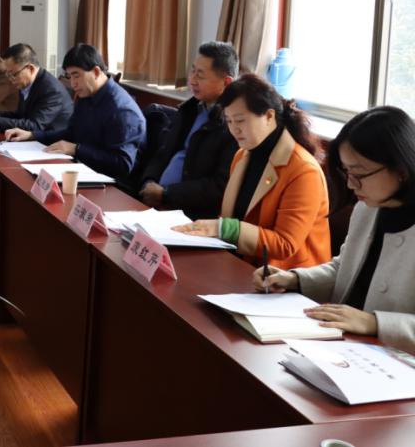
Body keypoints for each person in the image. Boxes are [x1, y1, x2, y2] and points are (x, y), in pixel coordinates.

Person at [256, 107, 415, 353]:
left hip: (395, 361)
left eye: (359, 173)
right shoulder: (367, 208)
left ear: (401, 171)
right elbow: (345, 269)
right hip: (344, 347)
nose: (350, 184)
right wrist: (295, 280)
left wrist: (374, 322)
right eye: (347, 172)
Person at [174, 74, 330, 268]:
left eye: (240, 121)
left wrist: (224, 229)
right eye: (229, 121)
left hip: (285, 275)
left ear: (269, 116)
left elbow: (285, 244)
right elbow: (232, 218)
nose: (234, 129)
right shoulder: (242, 155)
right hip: (243, 262)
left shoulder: (303, 170)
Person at [3, 43, 145, 179]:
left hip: (114, 185)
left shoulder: (122, 110)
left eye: (76, 75)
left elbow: (122, 164)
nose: (72, 84)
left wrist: (76, 149)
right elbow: (71, 133)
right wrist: (32, 135)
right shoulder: (86, 95)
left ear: (96, 72)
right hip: (84, 169)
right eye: (69, 76)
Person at [139, 41, 240, 218]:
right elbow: (162, 153)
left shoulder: (233, 126)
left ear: (226, 82)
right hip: (156, 203)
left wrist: (167, 194)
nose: (192, 80)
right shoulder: (188, 110)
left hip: (189, 215)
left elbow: (218, 186)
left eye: (200, 75)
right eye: (192, 71)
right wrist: (149, 181)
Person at [0, 43, 72, 133]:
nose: (10, 79)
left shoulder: (52, 90)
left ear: (31, 69)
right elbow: (21, 115)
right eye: (8, 74)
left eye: (13, 74)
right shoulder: (25, 83)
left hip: (52, 138)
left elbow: (35, 125)